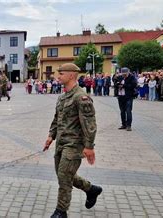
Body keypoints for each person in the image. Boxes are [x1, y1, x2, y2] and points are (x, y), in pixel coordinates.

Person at [43, 63, 102, 218]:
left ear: (71, 75)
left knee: (64, 176)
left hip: (75, 145)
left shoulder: (81, 97)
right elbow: (57, 119)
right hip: (61, 143)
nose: (58, 76)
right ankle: (91, 189)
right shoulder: (62, 97)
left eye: (61, 73)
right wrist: (51, 136)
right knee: (64, 174)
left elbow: (90, 124)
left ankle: (61, 211)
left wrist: (89, 146)